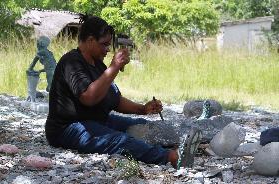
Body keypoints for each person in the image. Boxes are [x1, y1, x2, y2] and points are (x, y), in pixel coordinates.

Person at [45, 14, 202, 169]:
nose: (107, 50)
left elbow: (115, 99)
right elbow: (88, 97)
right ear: (91, 40)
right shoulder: (71, 62)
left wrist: (142, 109)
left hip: (98, 120)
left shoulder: (98, 65)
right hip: (68, 127)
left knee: (144, 126)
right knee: (120, 140)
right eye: (104, 44)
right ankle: (171, 157)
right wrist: (114, 67)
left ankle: (181, 145)